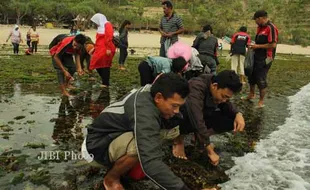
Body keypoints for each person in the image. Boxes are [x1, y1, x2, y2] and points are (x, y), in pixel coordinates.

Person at [81, 73, 195, 190]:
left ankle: (126, 165)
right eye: (174, 106)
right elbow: (151, 163)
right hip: (96, 146)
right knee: (140, 147)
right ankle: (111, 179)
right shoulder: (144, 112)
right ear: (158, 97)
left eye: (179, 106)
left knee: (170, 132)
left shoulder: (151, 92)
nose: (177, 111)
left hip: (116, 136)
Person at [173, 70, 245, 165]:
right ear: (214, 86)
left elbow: (227, 104)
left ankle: (200, 138)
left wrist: (238, 114)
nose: (224, 100)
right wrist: (209, 149)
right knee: (188, 112)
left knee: (233, 119)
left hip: (203, 114)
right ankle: (178, 140)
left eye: (228, 98)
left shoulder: (218, 86)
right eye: (224, 96)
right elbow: (196, 118)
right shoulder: (196, 87)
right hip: (184, 116)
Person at [246, 10, 278, 108]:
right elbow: (258, 42)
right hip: (256, 55)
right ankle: (251, 94)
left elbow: (273, 44)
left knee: (261, 78)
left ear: (260, 18)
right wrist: (253, 45)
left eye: (255, 20)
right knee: (251, 74)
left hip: (266, 58)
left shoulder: (271, 28)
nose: (255, 22)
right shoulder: (260, 28)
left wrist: (257, 46)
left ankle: (261, 101)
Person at [90, 13, 116, 88]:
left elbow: (109, 36)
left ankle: (105, 83)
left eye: (95, 21)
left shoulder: (107, 24)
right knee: (96, 63)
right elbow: (98, 40)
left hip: (106, 48)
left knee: (105, 65)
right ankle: (105, 80)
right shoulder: (100, 27)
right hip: (99, 48)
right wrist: (94, 48)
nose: (95, 23)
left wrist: (108, 48)